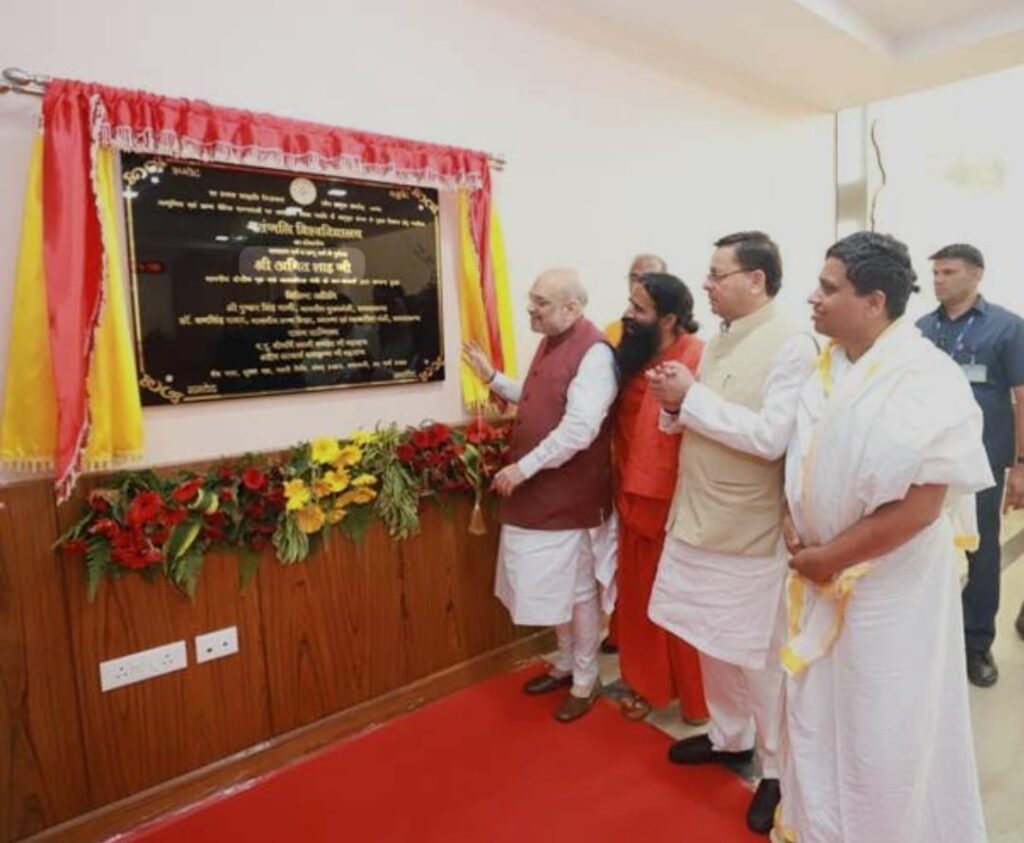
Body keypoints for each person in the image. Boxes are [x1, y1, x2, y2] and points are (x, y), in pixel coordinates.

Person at [773, 231, 992, 843]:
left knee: (881, 726)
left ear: (873, 303)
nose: (813, 297)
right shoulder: (827, 365)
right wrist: (794, 518)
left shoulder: (923, 376)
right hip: (819, 572)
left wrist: (829, 556)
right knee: (820, 718)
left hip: (888, 587)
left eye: (828, 288)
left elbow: (921, 506)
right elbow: (805, 457)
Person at [645, 231, 816, 835]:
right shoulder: (721, 338)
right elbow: (699, 421)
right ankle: (728, 737)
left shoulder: (792, 343)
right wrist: (673, 405)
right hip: (699, 512)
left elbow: (771, 437)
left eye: (718, 275)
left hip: (748, 524)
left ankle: (775, 768)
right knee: (709, 639)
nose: (707, 285)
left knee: (756, 655)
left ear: (756, 280)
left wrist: (690, 397)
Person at [462, 267, 618, 722]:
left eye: (540, 302)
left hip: (569, 498)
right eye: (531, 299)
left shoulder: (594, 354)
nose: (530, 308)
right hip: (537, 496)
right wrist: (493, 378)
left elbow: (579, 429)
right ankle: (566, 664)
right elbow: (537, 397)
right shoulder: (552, 339)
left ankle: (586, 680)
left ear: (573, 308)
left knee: (577, 591)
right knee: (550, 589)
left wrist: (523, 468)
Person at [916, 243, 1024, 687]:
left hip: (981, 462)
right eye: (936, 272)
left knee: (982, 551)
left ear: (976, 275)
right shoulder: (921, 330)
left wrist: (1021, 465)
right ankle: (928, 638)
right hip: (927, 463)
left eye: (949, 272)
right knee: (922, 549)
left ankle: (976, 643)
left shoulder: (1007, 327)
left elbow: (1022, 398)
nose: (939, 280)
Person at [611, 271, 708, 724]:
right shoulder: (633, 355)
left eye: (639, 309)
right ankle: (647, 683)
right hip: (631, 497)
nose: (628, 315)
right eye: (630, 304)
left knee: (682, 606)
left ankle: (696, 700)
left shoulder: (695, 357)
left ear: (668, 319)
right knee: (640, 601)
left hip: (674, 504)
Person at [602, 252, 667, 655]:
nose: (638, 283)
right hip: (620, 459)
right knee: (621, 556)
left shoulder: (678, 344)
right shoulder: (615, 331)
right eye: (634, 277)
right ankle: (621, 631)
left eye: (649, 278)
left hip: (656, 473)